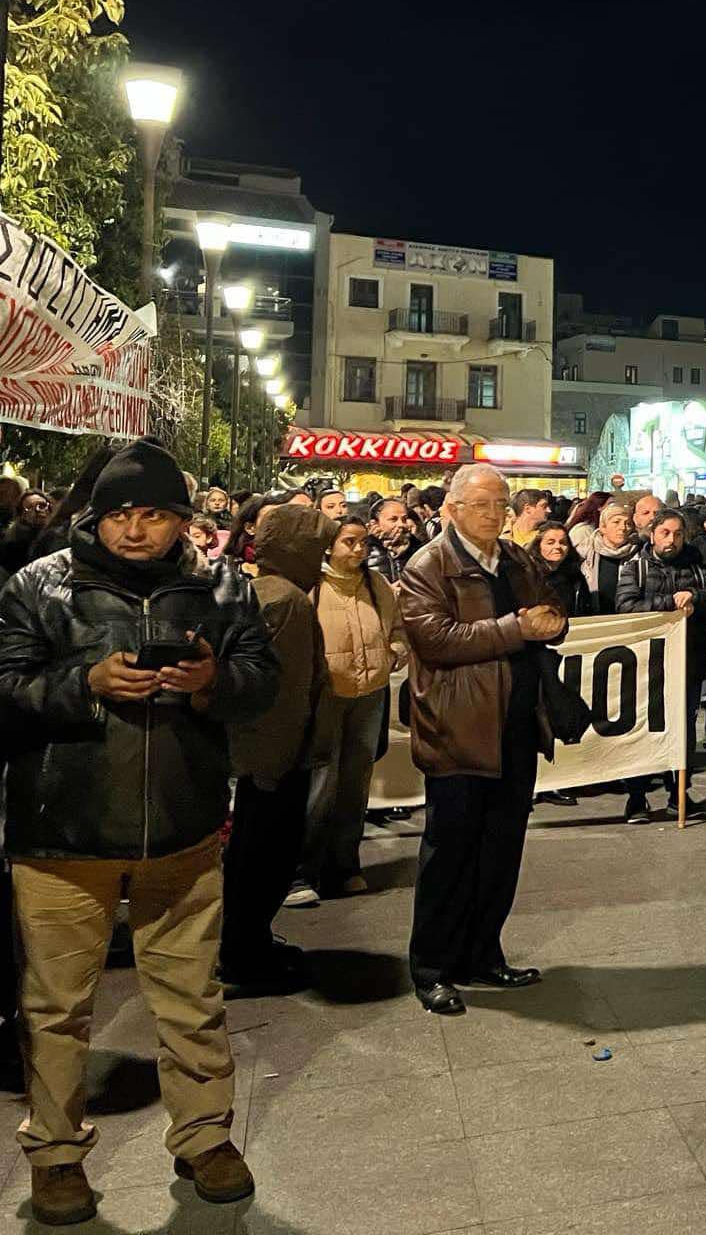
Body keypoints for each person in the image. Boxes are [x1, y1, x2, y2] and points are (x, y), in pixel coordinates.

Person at [0, 438, 279, 1219]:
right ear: (95, 517)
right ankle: (56, 1154)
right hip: (64, 836)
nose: (134, 529)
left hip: (182, 832)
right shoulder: (38, 585)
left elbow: (264, 681)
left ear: (182, 519)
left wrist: (212, 682)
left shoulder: (223, 586)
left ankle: (205, 1137)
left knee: (192, 998)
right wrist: (84, 683)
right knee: (55, 1008)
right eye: (120, 513)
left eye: (154, 514)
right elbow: (5, 686)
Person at [398, 464, 568, 1016]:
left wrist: (553, 621)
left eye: (501, 504)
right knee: (449, 855)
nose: (495, 514)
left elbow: (551, 610)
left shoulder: (516, 558)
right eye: (482, 504)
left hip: (516, 728)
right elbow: (437, 640)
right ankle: (432, 968)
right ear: (452, 509)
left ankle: (483, 954)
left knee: (501, 852)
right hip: (458, 729)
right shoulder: (428, 565)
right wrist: (517, 628)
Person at [222, 502, 335, 990]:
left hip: (269, 757)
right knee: (264, 860)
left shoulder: (267, 590)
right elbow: (284, 695)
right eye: (317, 550)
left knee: (255, 858)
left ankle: (249, 947)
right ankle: (246, 958)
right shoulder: (288, 601)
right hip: (277, 759)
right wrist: (275, 764)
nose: (322, 562)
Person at [303, 514, 408, 900]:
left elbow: (397, 629)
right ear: (329, 545)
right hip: (326, 696)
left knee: (354, 785)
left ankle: (345, 865)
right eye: (350, 542)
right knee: (319, 785)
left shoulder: (376, 585)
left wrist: (394, 652)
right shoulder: (312, 586)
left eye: (363, 542)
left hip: (370, 694)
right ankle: (303, 870)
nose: (359, 549)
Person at [617, 508, 706, 821]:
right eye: (665, 533)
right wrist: (669, 604)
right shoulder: (635, 568)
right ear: (653, 534)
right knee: (642, 729)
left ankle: (679, 791)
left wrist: (695, 598)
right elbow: (626, 608)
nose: (671, 540)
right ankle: (637, 796)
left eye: (678, 534)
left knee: (684, 730)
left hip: (687, 662)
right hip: (647, 664)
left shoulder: (697, 567)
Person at [582, 500, 641, 614]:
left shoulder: (638, 554)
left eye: (628, 523)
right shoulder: (585, 552)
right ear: (603, 527)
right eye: (616, 522)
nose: (623, 528)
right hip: (594, 617)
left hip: (628, 618)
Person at [532, 520, 589, 617]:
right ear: (538, 546)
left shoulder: (575, 577)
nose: (557, 546)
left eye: (562, 543)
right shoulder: (529, 575)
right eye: (550, 543)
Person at [365, 494, 423, 582]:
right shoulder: (364, 552)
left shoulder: (418, 549)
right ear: (375, 524)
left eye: (404, 519)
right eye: (393, 519)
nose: (401, 524)